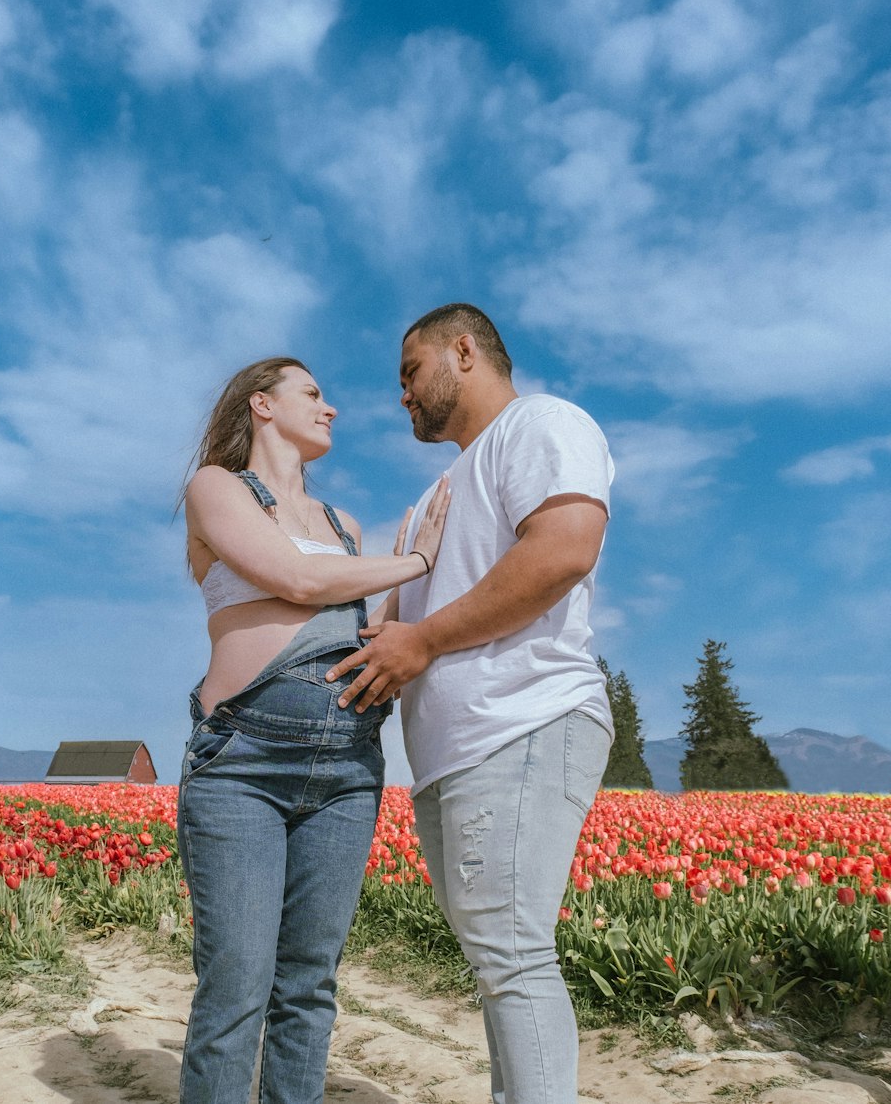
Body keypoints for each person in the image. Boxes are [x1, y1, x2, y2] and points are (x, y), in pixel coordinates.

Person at [328, 304, 614, 1104]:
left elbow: (563, 549)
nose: (402, 396)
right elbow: (387, 627)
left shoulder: (541, 425)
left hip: (522, 718)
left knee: (512, 953)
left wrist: (418, 645)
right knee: (498, 961)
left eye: (410, 373)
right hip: (454, 751)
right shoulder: (431, 502)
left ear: (464, 351)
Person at [176, 355, 450, 1104]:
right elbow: (296, 580)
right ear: (261, 404)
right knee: (235, 987)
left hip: (346, 772)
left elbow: (356, 633)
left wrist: (410, 581)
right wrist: (417, 557)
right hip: (243, 763)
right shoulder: (217, 489)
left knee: (308, 987)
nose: (331, 409)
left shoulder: (345, 526)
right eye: (313, 394)